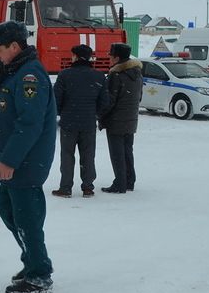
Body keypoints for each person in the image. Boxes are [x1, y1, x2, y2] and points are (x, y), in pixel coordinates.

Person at [0, 21, 57, 293]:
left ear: (15, 46)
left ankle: (39, 274)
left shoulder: (29, 75)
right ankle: (33, 261)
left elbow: (29, 124)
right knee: (6, 208)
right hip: (17, 161)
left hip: (26, 162)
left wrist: (10, 160)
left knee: (27, 219)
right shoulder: (15, 71)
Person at [51, 44, 109, 198]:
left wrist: (62, 112)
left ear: (75, 56)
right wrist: (93, 112)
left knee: (67, 155)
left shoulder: (64, 74)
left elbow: (56, 99)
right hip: (88, 123)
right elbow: (104, 101)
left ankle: (65, 187)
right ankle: (88, 187)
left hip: (69, 122)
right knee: (88, 155)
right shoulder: (99, 76)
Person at [98, 42, 143, 194]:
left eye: (111, 56)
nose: (109, 59)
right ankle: (130, 181)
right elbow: (139, 97)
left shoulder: (115, 74)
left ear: (117, 58)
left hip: (116, 121)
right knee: (127, 152)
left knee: (117, 154)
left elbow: (109, 101)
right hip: (131, 119)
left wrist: (101, 115)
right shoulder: (137, 73)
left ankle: (119, 184)